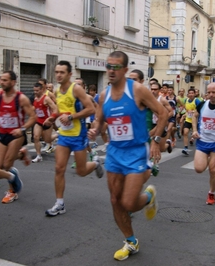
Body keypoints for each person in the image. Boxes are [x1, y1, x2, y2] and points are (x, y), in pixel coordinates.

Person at [88, 51, 167, 261]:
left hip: (135, 153)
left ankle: (149, 196)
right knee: (115, 200)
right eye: (108, 66)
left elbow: (163, 113)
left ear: (124, 70)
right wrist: (95, 129)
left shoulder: (138, 90)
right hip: (114, 152)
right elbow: (99, 119)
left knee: (129, 203)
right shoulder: (104, 95)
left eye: (115, 67)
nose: (111, 71)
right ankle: (131, 241)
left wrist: (156, 141)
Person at [45, 61, 104, 217]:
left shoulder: (76, 89)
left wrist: (71, 116)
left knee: (81, 171)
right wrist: (53, 117)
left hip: (78, 135)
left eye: (62, 72)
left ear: (69, 74)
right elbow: (60, 110)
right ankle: (59, 203)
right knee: (59, 169)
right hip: (64, 136)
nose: (58, 74)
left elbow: (91, 109)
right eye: (57, 71)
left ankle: (96, 163)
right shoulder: (57, 91)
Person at [0, 70, 36, 203]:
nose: (1, 82)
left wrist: (22, 129)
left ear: (13, 82)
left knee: (6, 165)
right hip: (3, 133)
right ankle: (21, 154)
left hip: (16, 135)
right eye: (0, 80)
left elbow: (33, 117)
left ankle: (12, 191)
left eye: (4, 80)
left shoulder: (21, 98)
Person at [31, 82, 58, 162]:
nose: (35, 92)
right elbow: (36, 108)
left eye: (37, 91)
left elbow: (55, 109)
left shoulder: (46, 98)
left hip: (47, 122)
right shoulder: (35, 98)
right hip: (39, 121)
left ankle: (58, 134)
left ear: (42, 90)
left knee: (47, 140)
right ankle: (38, 156)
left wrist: (51, 118)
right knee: (36, 137)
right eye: (34, 91)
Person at [180, 88, 201, 155]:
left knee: (197, 135)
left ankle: (201, 150)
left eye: (192, 93)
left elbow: (201, 110)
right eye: (190, 93)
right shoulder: (186, 100)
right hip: (188, 120)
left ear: (194, 94)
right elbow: (186, 110)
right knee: (185, 133)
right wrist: (184, 115)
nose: (191, 94)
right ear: (188, 94)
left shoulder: (197, 101)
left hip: (196, 120)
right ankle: (185, 148)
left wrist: (193, 111)